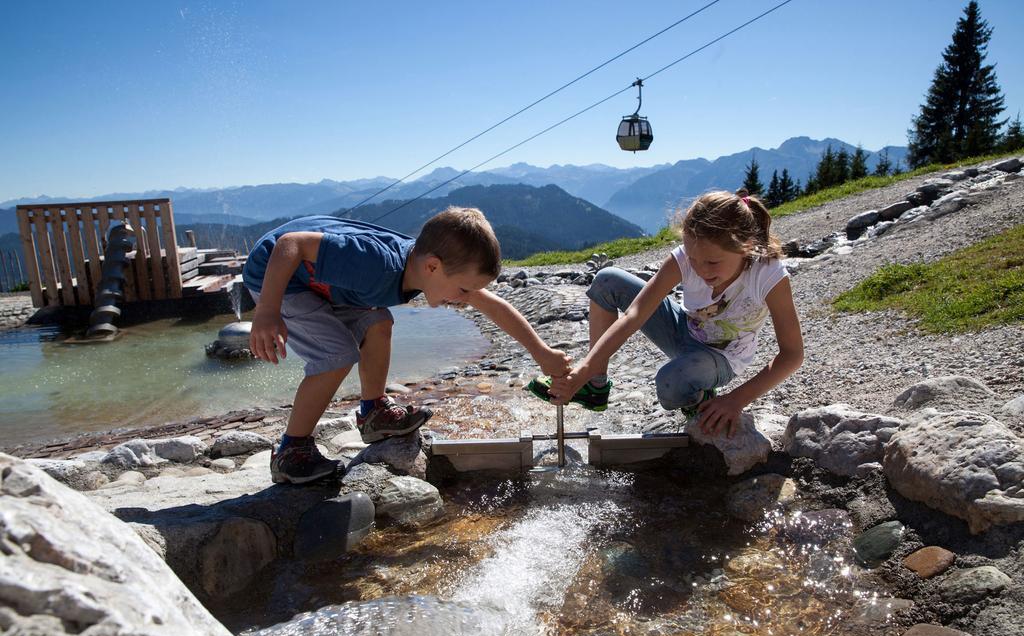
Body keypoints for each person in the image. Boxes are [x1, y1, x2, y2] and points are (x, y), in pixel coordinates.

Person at [243, 207, 570, 484]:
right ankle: (291, 450)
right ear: (432, 266)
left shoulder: (421, 268)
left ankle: (374, 414)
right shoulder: (377, 265)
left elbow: (493, 305)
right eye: (462, 290)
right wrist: (268, 311)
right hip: (278, 277)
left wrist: (541, 352)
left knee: (378, 323)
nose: (462, 300)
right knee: (337, 354)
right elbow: (290, 243)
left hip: (326, 284)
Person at [528, 190, 803, 438]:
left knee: (670, 385)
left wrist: (736, 400)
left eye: (712, 262)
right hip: (682, 327)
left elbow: (792, 354)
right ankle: (595, 387)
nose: (702, 270)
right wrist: (583, 372)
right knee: (607, 280)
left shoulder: (767, 274)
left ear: (745, 247)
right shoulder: (685, 258)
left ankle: (701, 396)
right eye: (694, 260)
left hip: (722, 358)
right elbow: (634, 314)